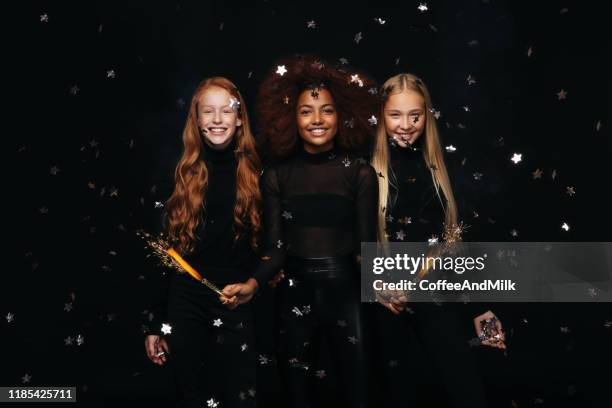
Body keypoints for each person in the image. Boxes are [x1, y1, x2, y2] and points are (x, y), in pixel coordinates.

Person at [247, 56, 378, 408]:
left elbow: (367, 250)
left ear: (342, 115)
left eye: (327, 111)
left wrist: (387, 287)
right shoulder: (276, 175)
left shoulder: (360, 173)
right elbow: (274, 249)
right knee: (296, 394)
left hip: (347, 293)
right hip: (293, 294)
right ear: (291, 117)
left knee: (357, 391)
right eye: (306, 111)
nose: (317, 120)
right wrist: (253, 283)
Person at [370, 73, 505, 407]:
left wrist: (484, 312)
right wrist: (376, 284)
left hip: (439, 300)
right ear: (382, 117)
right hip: (388, 306)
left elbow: (462, 243)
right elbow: (350, 241)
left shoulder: (445, 169)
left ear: (426, 115)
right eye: (395, 115)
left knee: (466, 390)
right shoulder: (364, 171)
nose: (405, 125)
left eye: (414, 115)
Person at [144, 77, 265, 407]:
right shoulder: (180, 173)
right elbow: (162, 251)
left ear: (239, 118)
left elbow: (270, 243)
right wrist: (155, 322)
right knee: (192, 394)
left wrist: (254, 284)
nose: (216, 120)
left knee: (241, 395)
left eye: (225, 111)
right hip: (185, 303)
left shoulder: (258, 172)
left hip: (235, 298)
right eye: (207, 112)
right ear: (196, 120)